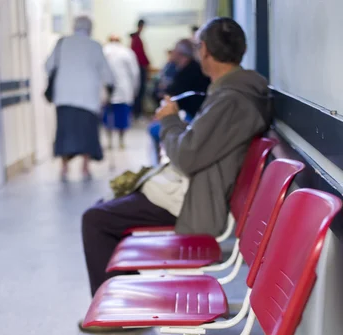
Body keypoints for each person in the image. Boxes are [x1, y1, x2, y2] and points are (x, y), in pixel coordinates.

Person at [81, 16, 272, 309]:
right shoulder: (234, 92)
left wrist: (169, 120)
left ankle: (119, 309)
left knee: (95, 220)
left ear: (205, 51)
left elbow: (186, 157)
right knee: (102, 210)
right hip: (196, 189)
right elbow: (200, 145)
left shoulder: (231, 99)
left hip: (194, 200)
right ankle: (125, 301)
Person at [45, 15, 114, 181]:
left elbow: (48, 66)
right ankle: (85, 166)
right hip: (88, 97)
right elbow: (106, 72)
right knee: (87, 132)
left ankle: (64, 167)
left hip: (64, 96)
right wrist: (110, 87)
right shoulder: (95, 45)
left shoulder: (62, 43)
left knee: (65, 132)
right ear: (90, 28)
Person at [148, 38, 210, 160]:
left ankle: (162, 162)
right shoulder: (182, 68)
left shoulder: (190, 70)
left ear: (181, 53)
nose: (172, 52)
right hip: (189, 113)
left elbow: (171, 95)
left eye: (174, 50)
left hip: (193, 116)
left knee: (155, 129)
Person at [103, 35, 140, 149]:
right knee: (122, 118)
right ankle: (121, 141)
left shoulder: (103, 51)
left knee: (108, 117)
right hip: (124, 91)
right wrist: (134, 90)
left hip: (106, 91)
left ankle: (109, 142)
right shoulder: (127, 52)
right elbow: (135, 73)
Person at [130, 19, 150, 118]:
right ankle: (137, 113)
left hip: (140, 67)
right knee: (139, 91)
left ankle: (138, 112)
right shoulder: (136, 39)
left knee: (140, 91)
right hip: (139, 68)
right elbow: (139, 55)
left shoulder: (137, 38)